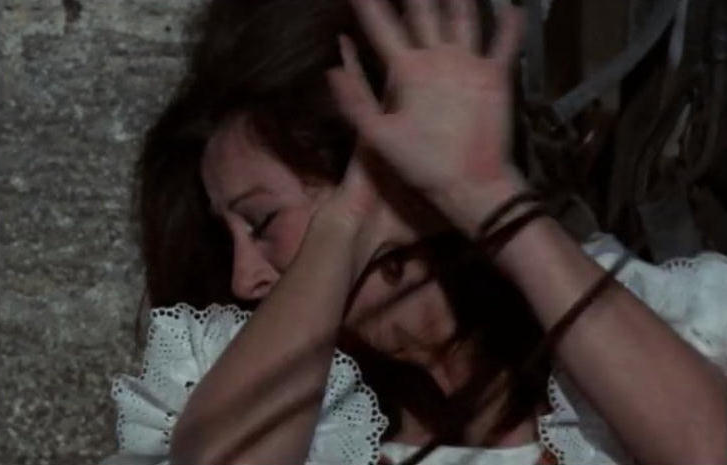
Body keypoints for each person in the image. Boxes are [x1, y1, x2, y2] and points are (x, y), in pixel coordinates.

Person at [104, 0, 727, 464]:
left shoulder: (637, 331)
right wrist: (348, 218)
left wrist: (485, 192)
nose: (245, 277)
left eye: (262, 222)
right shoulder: (279, 399)